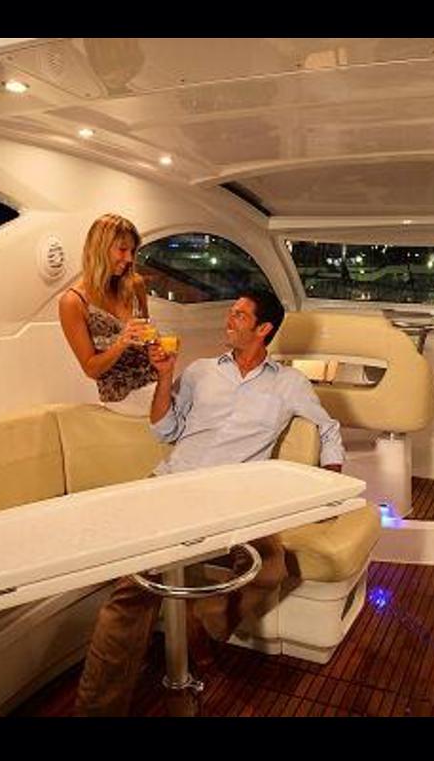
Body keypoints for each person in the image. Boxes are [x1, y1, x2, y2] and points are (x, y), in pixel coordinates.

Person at [74, 288, 344, 717]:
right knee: (131, 592)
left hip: (235, 498)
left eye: (239, 315)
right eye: (230, 313)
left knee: (269, 567)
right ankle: (95, 711)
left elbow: (328, 429)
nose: (228, 320)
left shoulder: (289, 384)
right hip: (174, 484)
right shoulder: (199, 371)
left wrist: (330, 487)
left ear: (263, 329)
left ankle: (198, 622)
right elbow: (164, 430)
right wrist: (165, 376)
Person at [58, 213, 156, 405]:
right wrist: (121, 342)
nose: (129, 258)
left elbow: (147, 338)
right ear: (99, 248)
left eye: (132, 251)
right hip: (122, 400)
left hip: (154, 385)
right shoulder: (73, 302)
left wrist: (157, 347)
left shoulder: (135, 284)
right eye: (122, 249)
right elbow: (91, 369)